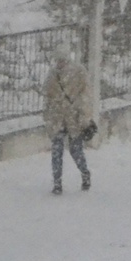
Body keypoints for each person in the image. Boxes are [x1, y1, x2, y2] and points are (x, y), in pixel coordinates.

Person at [44, 51, 97, 194]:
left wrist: (84, 117)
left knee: (76, 150)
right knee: (56, 151)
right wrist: (49, 118)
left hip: (74, 118)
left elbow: (85, 96)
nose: (60, 63)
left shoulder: (79, 73)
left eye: (63, 60)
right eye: (58, 60)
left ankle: (85, 173)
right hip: (58, 118)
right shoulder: (52, 76)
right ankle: (57, 183)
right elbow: (48, 99)